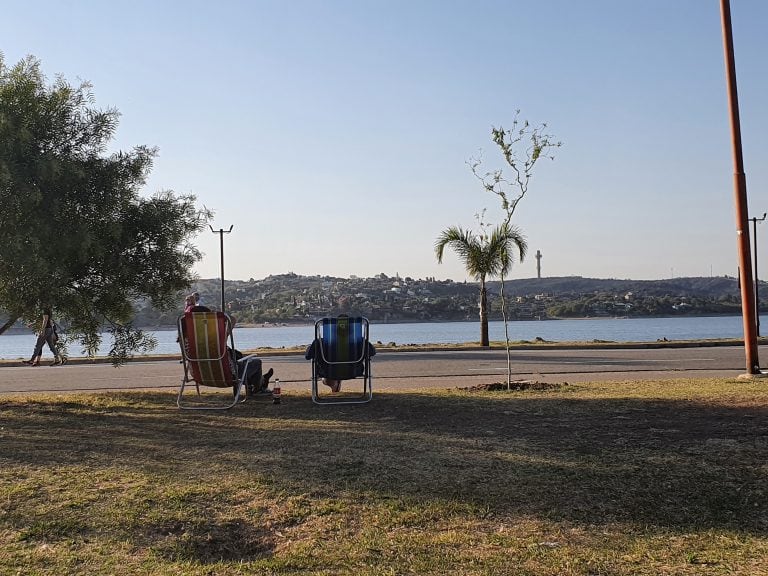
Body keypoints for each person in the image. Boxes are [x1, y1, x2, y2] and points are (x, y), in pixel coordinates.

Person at [180, 304, 274, 396]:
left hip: (199, 376)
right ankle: (258, 388)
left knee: (241, 361)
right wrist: (217, 316)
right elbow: (232, 319)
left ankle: (261, 381)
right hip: (227, 376)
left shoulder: (184, 340)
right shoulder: (215, 338)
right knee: (256, 363)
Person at [304, 337, 376, 392]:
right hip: (353, 371)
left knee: (327, 376)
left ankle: (335, 384)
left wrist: (309, 347)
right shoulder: (360, 340)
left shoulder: (320, 342)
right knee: (333, 373)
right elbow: (372, 352)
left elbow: (308, 356)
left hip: (327, 372)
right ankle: (336, 382)